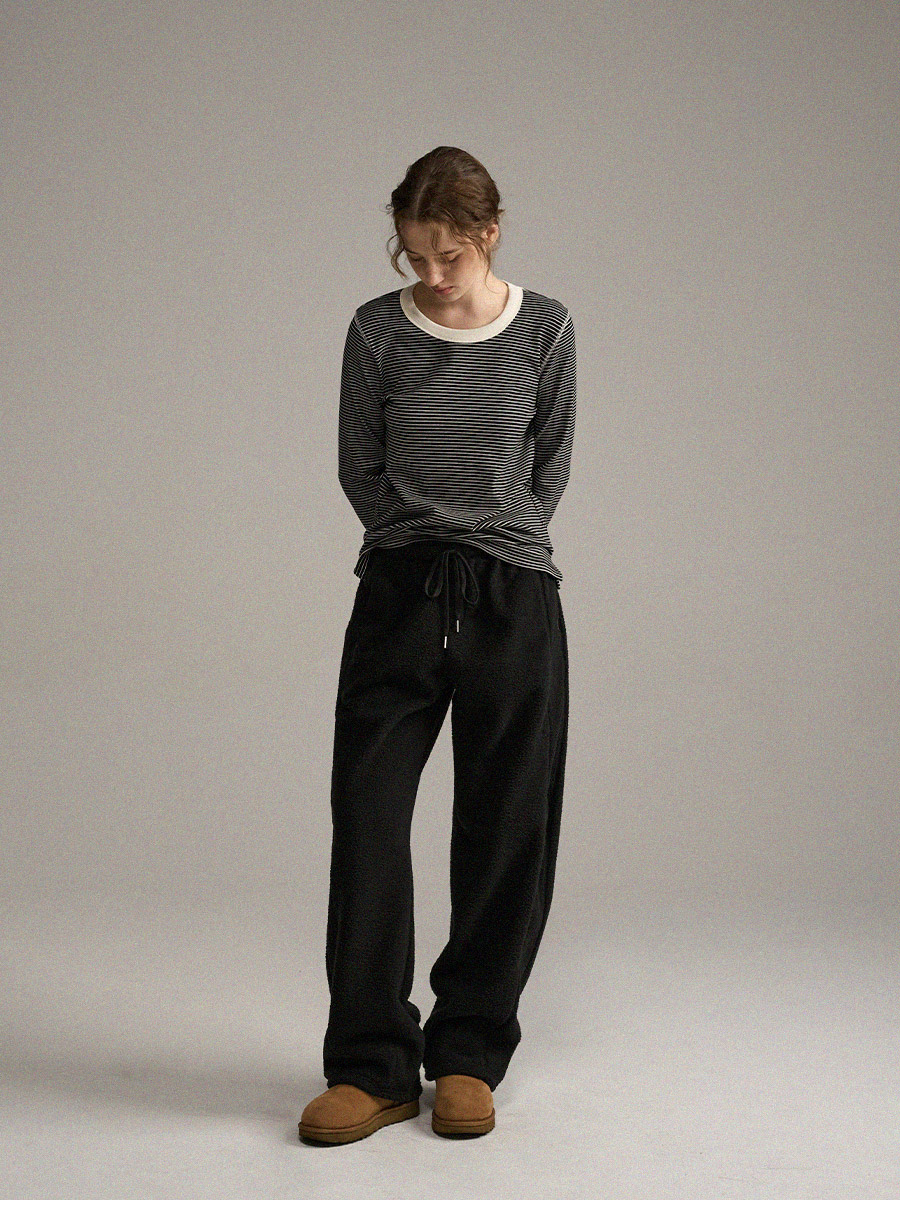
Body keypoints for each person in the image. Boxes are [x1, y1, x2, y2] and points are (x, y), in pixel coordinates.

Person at [298, 145, 575, 1145]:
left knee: (507, 828)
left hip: (512, 597)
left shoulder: (545, 328)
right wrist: (416, 535)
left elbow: (549, 466)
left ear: (488, 235)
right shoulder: (376, 331)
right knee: (369, 822)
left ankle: (467, 1052)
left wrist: (496, 537)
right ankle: (372, 1064)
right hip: (400, 594)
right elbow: (359, 465)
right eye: (414, 255)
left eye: (448, 255)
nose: (430, 272)